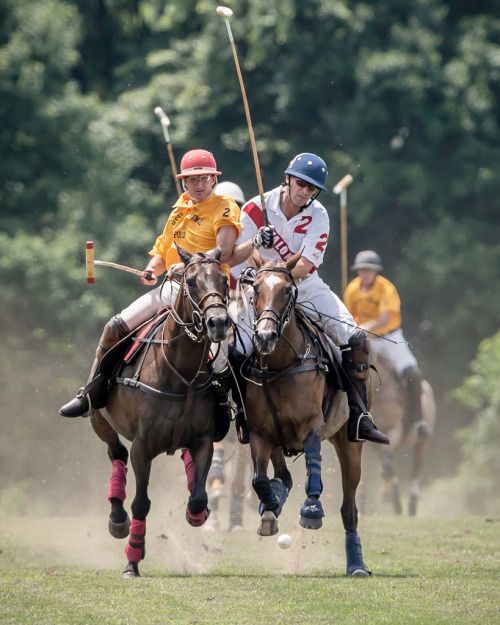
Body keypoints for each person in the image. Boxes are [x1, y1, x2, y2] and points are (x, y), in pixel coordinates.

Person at [59, 149, 241, 419]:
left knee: (230, 350)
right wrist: (151, 269)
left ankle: (230, 408)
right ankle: (90, 393)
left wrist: (187, 266)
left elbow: (223, 251)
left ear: (213, 179)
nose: (199, 184)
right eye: (192, 180)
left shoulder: (225, 206)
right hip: (171, 289)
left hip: (206, 293)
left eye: (204, 178)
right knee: (114, 326)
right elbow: (161, 250)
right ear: (184, 183)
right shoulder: (179, 210)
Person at [227, 153, 390, 445]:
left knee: (357, 341)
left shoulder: (319, 215)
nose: (304, 191)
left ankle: (359, 416)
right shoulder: (254, 208)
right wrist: (255, 244)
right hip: (262, 292)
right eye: (301, 183)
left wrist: (279, 269)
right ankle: (239, 414)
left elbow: (305, 266)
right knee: (235, 351)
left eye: (311, 188)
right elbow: (235, 261)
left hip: (306, 287)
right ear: (288, 179)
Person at [343, 250, 426, 432]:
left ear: (376, 271)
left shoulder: (386, 288)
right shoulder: (352, 288)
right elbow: (348, 315)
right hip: (365, 339)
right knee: (343, 368)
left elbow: (385, 318)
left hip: (389, 337)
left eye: (369, 270)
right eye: (362, 270)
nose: (365, 274)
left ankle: (417, 419)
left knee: (413, 373)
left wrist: (366, 326)